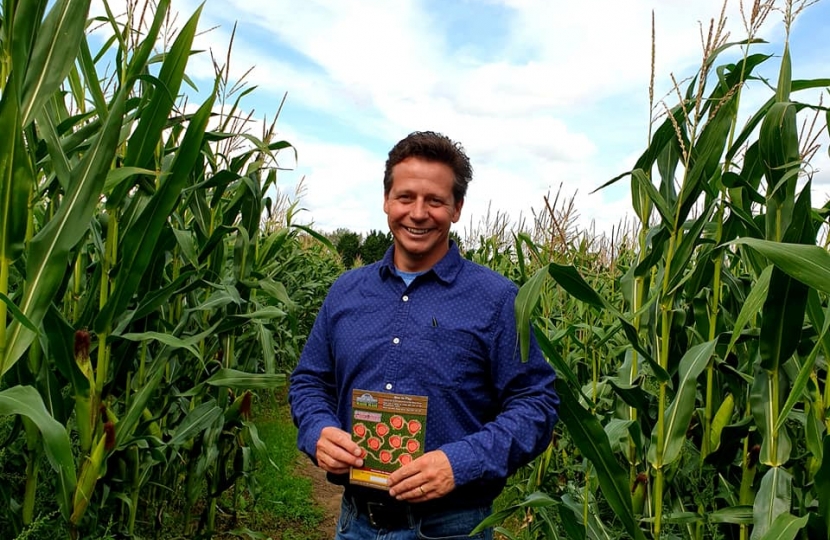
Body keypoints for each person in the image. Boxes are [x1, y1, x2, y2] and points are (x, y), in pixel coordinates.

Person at [289, 131, 559, 539]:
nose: (417, 213)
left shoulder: (496, 300)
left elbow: (535, 404)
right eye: (405, 197)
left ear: (457, 208)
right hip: (356, 523)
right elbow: (310, 381)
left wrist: (460, 462)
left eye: (434, 200)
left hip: (452, 526)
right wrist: (318, 431)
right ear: (386, 201)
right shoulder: (345, 292)